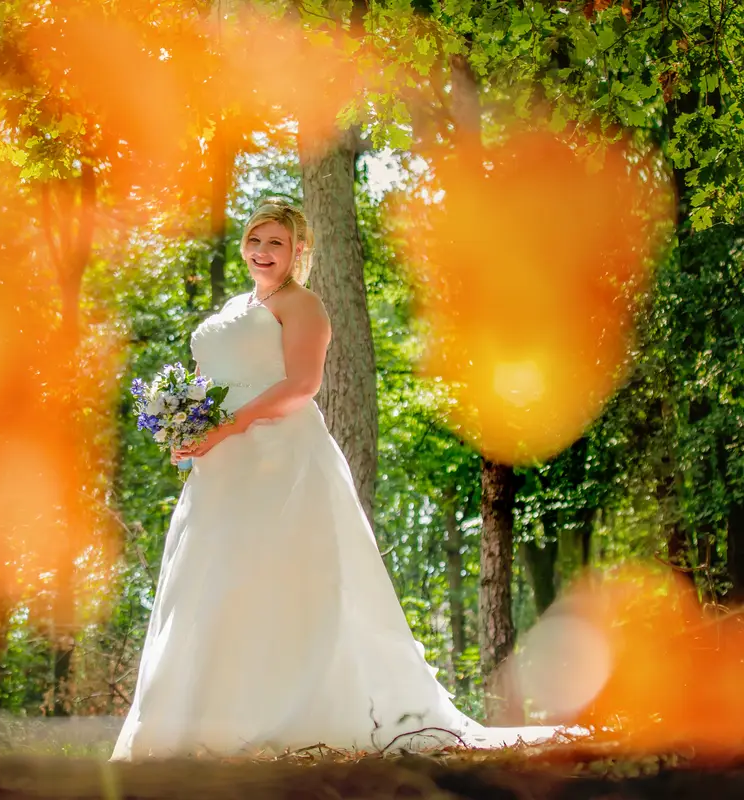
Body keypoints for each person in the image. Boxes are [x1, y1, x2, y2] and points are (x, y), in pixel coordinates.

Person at [111, 198, 565, 760]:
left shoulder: (303, 306)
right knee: (211, 583)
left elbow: (302, 385)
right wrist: (190, 427)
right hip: (220, 468)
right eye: (255, 240)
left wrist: (227, 426)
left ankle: (290, 713)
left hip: (281, 460)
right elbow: (215, 378)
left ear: (299, 250)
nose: (262, 252)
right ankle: (199, 724)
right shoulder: (238, 304)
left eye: (275, 243)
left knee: (278, 578)